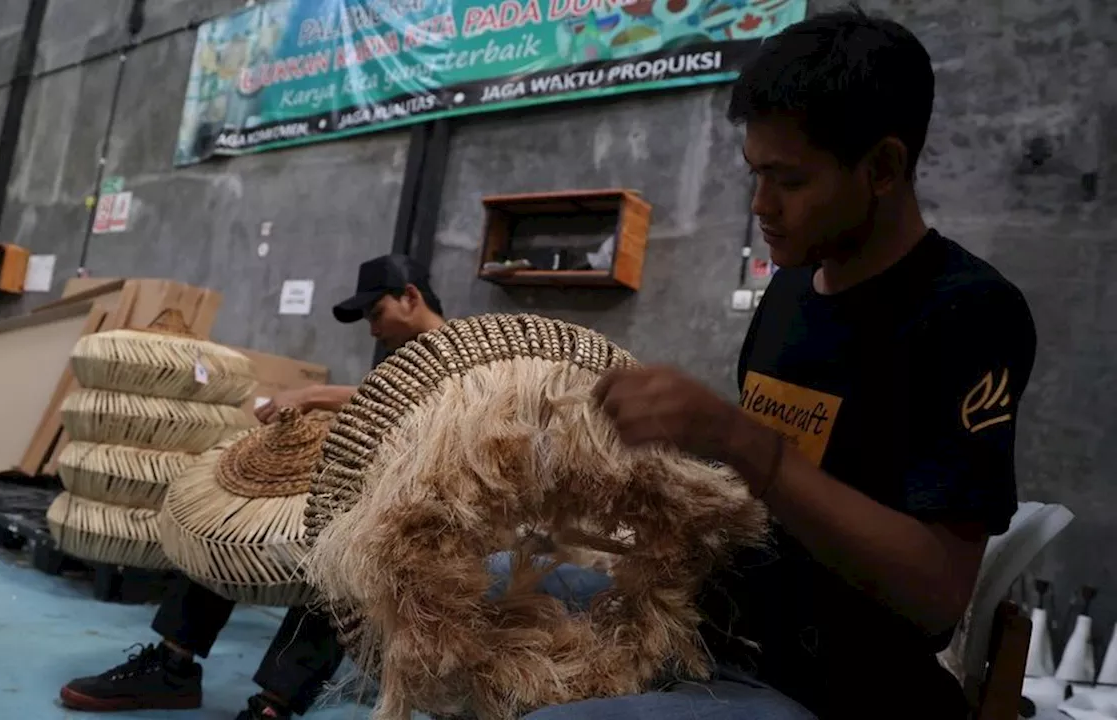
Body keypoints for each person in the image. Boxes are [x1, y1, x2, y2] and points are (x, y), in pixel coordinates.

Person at [537, 7, 1037, 720]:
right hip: (715, 631)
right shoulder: (793, 290)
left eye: (789, 180)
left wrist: (739, 440)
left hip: (833, 686)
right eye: (755, 173)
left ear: (884, 168)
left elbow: (936, 592)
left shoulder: (968, 314)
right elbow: (759, 501)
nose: (761, 205)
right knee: (481, 590)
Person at [59, 254, 446, 720]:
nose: (370, 328)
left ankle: (274, 705)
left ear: (410, 297)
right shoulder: (399, 356)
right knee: (228, 522)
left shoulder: (455, 353)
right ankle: (172, 663)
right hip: (367, 493)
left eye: (375, 313)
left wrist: (311, 395)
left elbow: (422, 399)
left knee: (341, 557)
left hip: (429, 519)